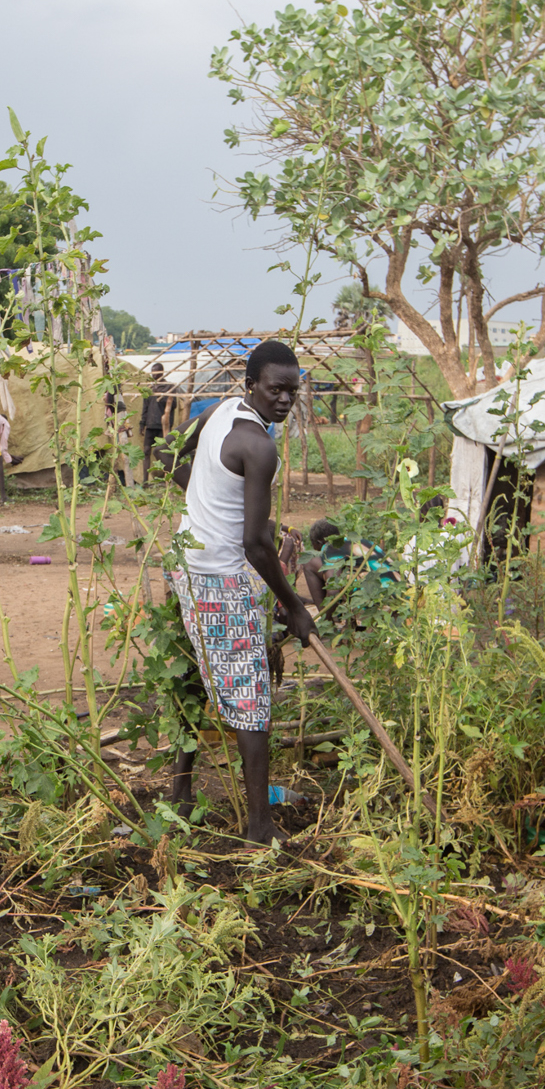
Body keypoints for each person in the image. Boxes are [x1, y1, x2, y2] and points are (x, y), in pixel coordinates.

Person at [166, 339, 316, 845]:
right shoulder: (260, 447)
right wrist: (295, 607)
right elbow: (254, 546)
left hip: (187, 563)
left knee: (197, 671)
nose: (284, 401)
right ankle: (258, 826)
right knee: (251, 702)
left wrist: (204, 503)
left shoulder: (218, 412)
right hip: (221, 579)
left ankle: (181, 794)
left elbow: (175, 462)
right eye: (276, 389)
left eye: (292, 393)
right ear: (251, 384)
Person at [140, 362, 173, 481]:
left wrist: (169, 425)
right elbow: (145, 407)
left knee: (162, 452)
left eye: (156, 373)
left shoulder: (169, 387)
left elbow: (172, 406)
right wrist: (142, 423)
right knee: (146, 451)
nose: (154, 375)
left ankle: (164, 479)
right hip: (150, 424)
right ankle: (145, 480)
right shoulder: (149, 388)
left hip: (162, 425)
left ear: (162, 373)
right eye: (152, 373)